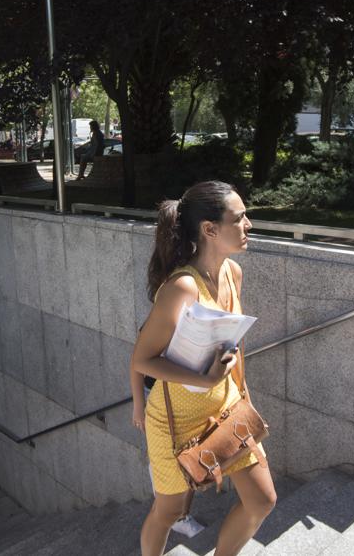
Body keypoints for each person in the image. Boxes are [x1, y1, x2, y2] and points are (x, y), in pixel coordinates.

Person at [130, 180, 276, 556]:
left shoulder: (233, 273)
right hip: (175, 422)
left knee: (261, 500)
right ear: (210, 229)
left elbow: (235, 346)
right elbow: (142, 359)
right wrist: (203, 378)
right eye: (240, 218)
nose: (249, 225)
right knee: (170, 510)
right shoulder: (181, 287)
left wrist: (247, 400)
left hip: (226, 408)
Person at [130, 366, 206, 538]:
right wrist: (138, 404)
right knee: (166, 461)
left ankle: (181, 515)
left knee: (190, 456)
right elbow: (139, 359)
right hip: (159, 394)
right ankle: (173, 516)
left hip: (193, 393)